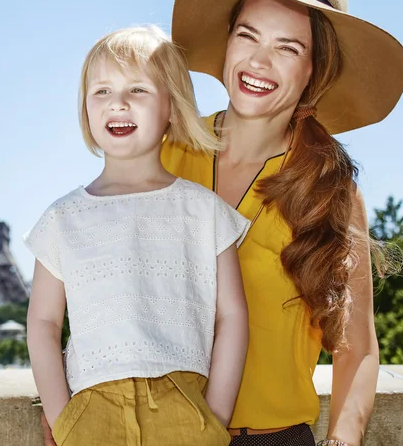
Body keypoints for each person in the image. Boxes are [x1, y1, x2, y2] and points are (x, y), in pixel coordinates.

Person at [159, 0, 403, 446]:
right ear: (227, 44)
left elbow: (355, 347)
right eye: (247, 35)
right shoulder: (164, 154)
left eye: (287, 48)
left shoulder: (330, 191)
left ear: (313, 74)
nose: (258, 60)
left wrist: (344, 436)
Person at [25, 25, 251, 446]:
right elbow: (42, 322)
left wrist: (215, 415)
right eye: (102, 92)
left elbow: (232, 315)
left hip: (186, 405)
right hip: (91, 410)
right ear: (86, 109)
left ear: (173, 107)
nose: (119, 103)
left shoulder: (204, 210)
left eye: (138, 90)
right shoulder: (61, 219)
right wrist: (62, 419)